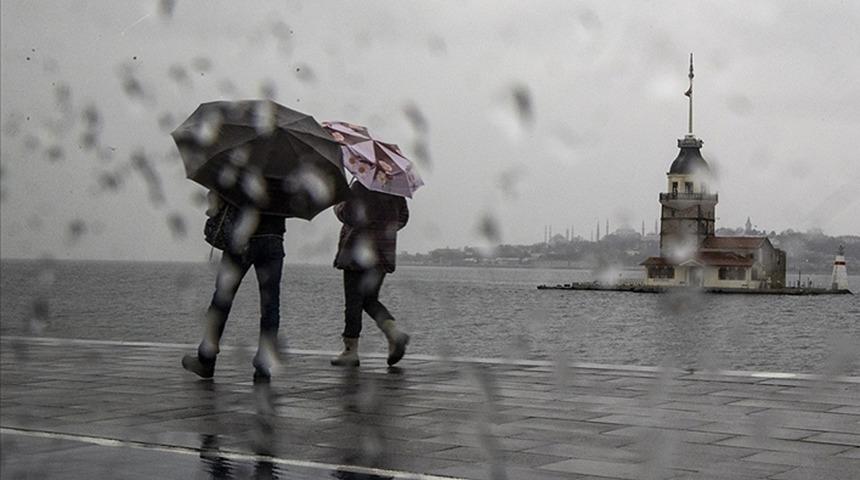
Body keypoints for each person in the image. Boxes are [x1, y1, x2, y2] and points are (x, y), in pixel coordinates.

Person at [182, 192, 286, 381]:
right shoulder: (287, 169)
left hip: (241, 238)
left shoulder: (243, 164)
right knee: (270, 305)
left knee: (222, 299)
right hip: (273, 239)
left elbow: (220, 195)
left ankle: (207, 359)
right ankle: (263, 366)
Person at [331, 181, 410, 367]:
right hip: (382, 253)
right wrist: (382, 227)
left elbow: (349, 214)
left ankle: (350, 351)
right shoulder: (395, 189)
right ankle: (394, 333)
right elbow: (403, 218)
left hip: (357, 252)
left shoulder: (360, 186)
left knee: (353, 301)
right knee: (369, 299)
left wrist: (338, 206)